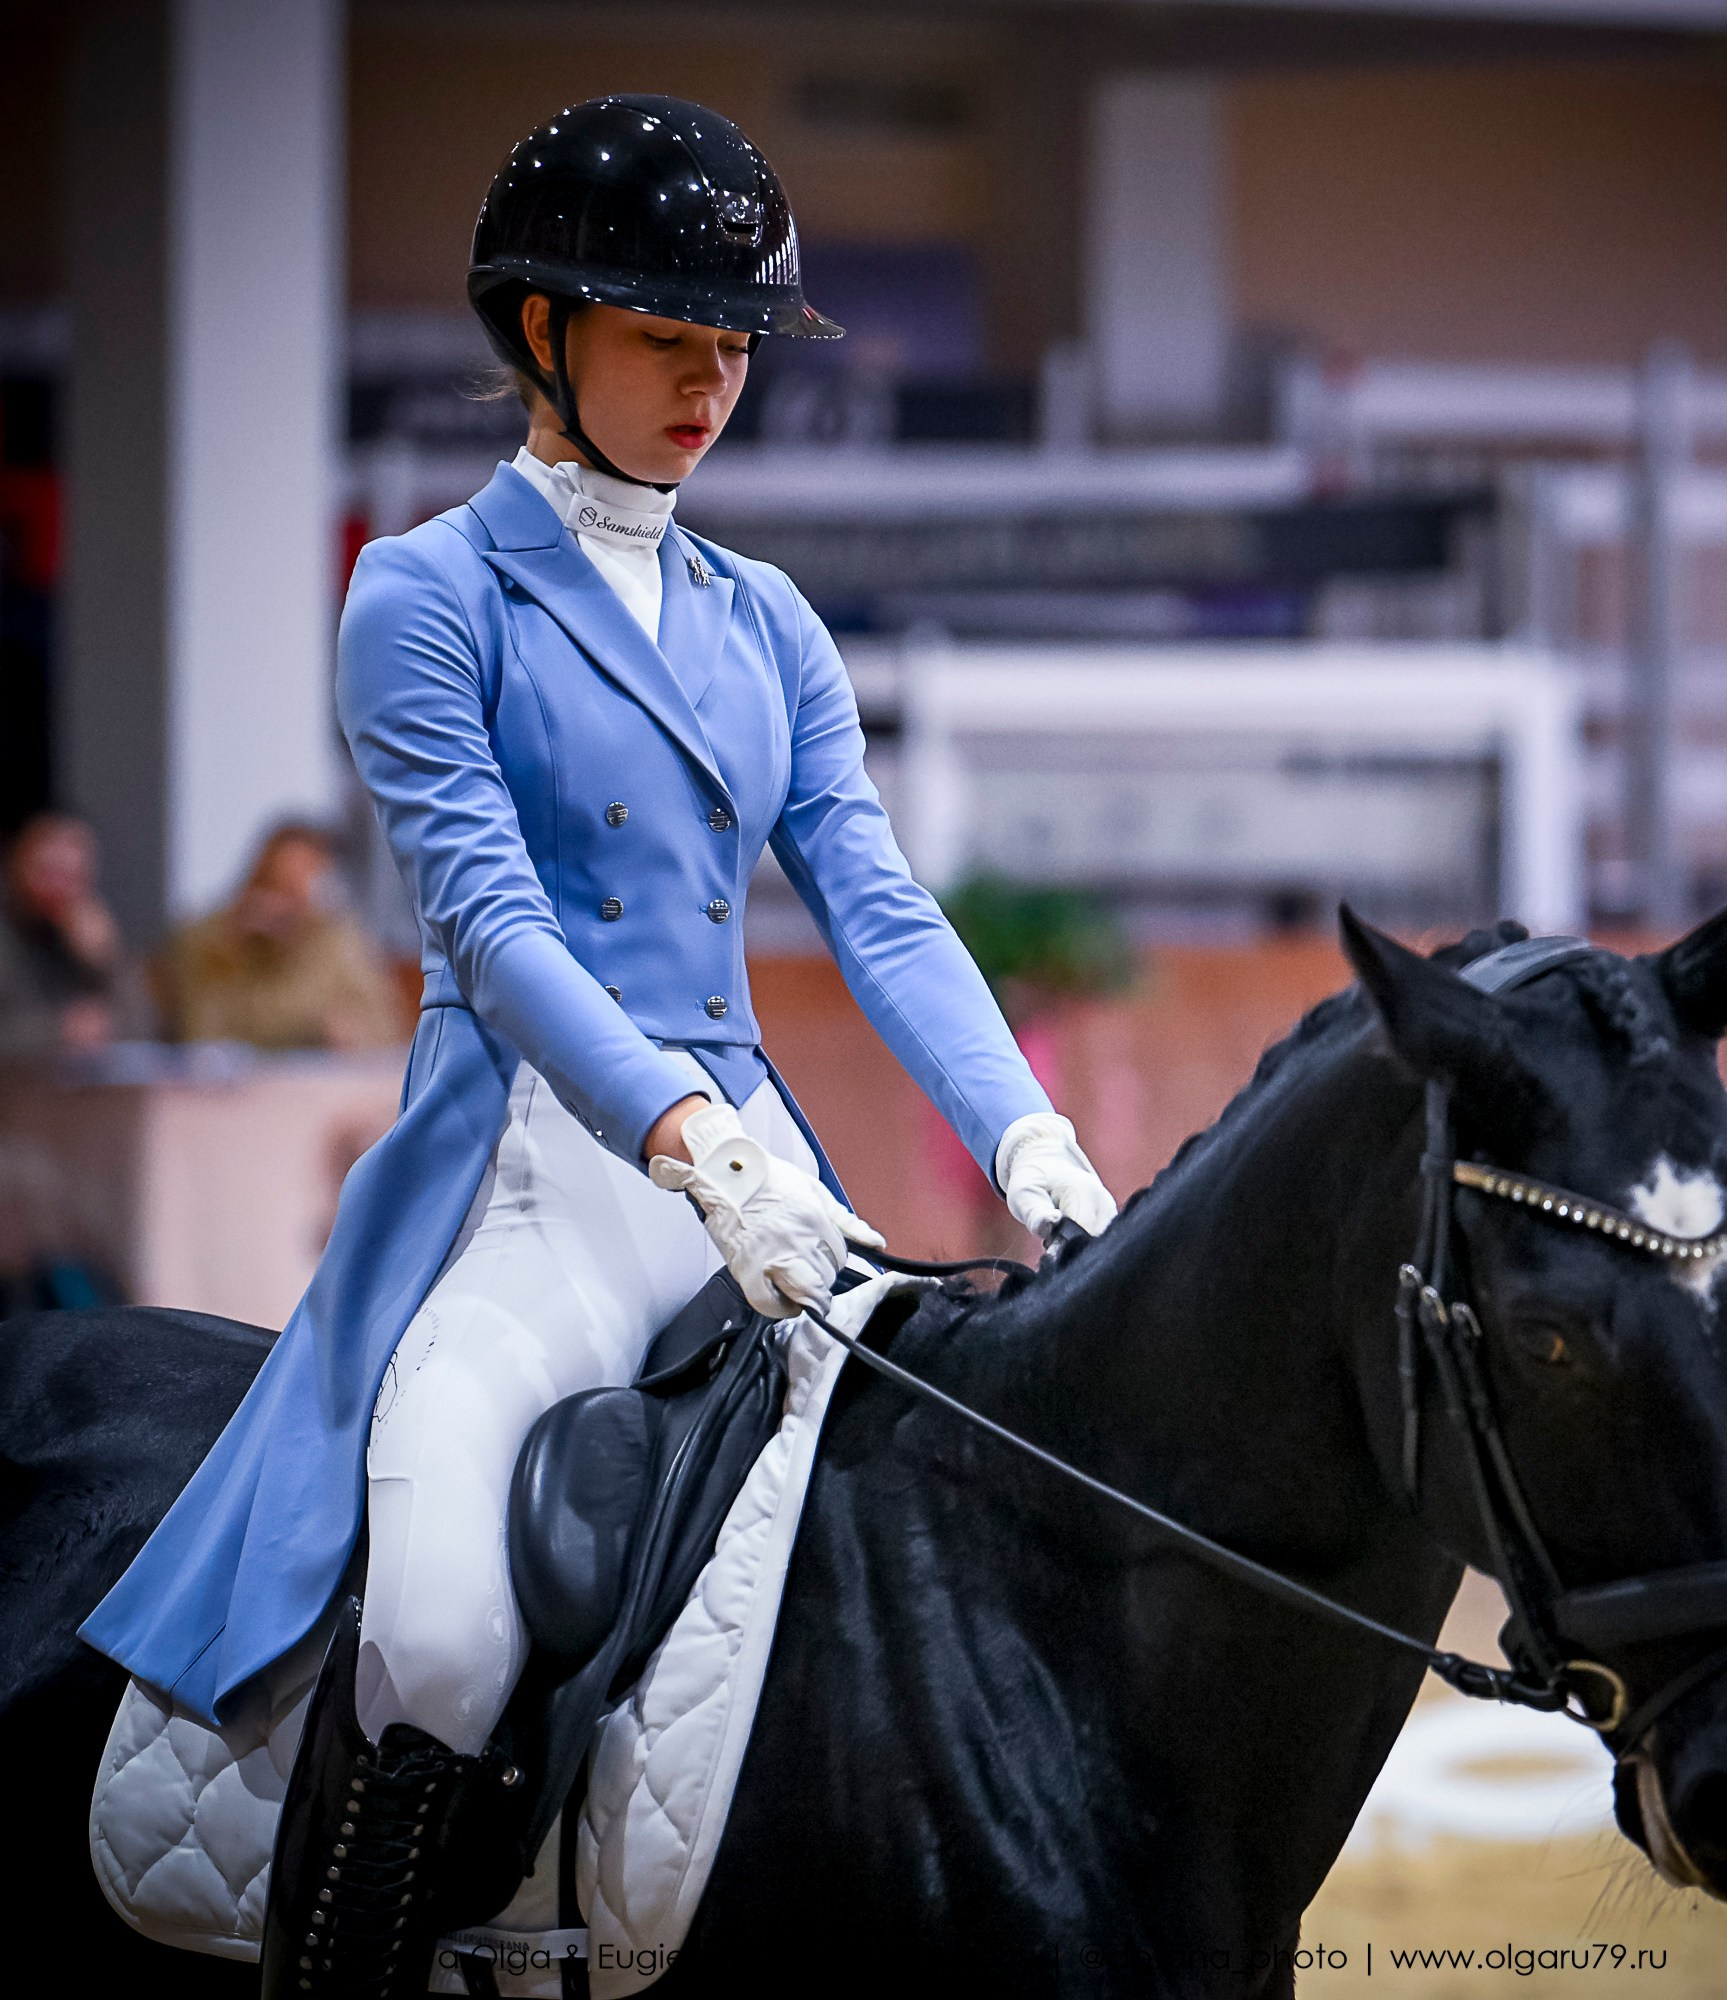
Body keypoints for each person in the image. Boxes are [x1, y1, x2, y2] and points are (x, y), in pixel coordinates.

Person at [76, 96, 1117, 1998]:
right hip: (537, 1168)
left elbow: (876, 906)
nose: (713, 386)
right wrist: (686, 1133)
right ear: (544, 331)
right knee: (445, 1634)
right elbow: (492, 926)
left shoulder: (767, 621)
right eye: (668, 339)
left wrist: (1026, 1137)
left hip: (757, 1171)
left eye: (737, 347)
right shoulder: (425, 594)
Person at [155, 821, 406, 1050]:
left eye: (299, 887)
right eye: (277, 884)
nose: (285, 903)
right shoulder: (211, 939)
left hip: (318, 1076)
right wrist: (235, 947)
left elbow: (382, 1038)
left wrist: (341, 1031)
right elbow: (203, 1039)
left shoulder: (338, 943)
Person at [0, 812, 147, 1057]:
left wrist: (109, 961)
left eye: (73, 877)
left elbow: (142, 1031)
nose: (60, 888)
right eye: (48, 872)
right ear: (17, 861)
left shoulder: (87, 932)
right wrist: (58, 1031)